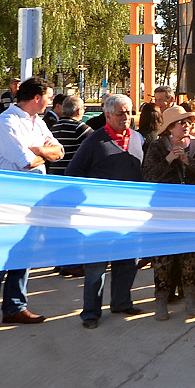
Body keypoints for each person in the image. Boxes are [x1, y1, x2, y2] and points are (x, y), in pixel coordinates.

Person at [0, 77, 62, 336]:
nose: (49, 101)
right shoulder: (7, 122)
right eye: (48, 96)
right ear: (37, 98)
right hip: (7, 200)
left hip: (33, 200)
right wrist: (41, 152)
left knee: (24, 254)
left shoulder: (39, 121)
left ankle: (14, 307)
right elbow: (25, 162)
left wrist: (40, 150)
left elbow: (60, 151)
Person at [65, 94, 145, 328]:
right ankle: (90, 313)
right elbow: (73, 173)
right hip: (98, 216)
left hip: (129, 215)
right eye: (120, 113)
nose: (126, 117)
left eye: (129, 112)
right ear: (107, 115)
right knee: (96, 267)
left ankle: (121, 302)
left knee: (128, 261)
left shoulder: (137, 139)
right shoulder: (94, 142)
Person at [142, 105, 195, 320]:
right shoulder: (156, 147)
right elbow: (149, 175)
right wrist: (169, 160)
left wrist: (187, 160)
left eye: (189, 122)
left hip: (191, 210)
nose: (187, 126)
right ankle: (161, 299)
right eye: (182, 123)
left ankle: (190, 296)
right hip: (164, 211)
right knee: (163, 258)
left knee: (190, 257)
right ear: (170, 127)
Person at [48, 95, 90, 175]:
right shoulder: (80, 128)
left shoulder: (54, 127)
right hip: (72, 174)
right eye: (83, 108)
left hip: (54, 174)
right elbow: (97, 142)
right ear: (79, 111)